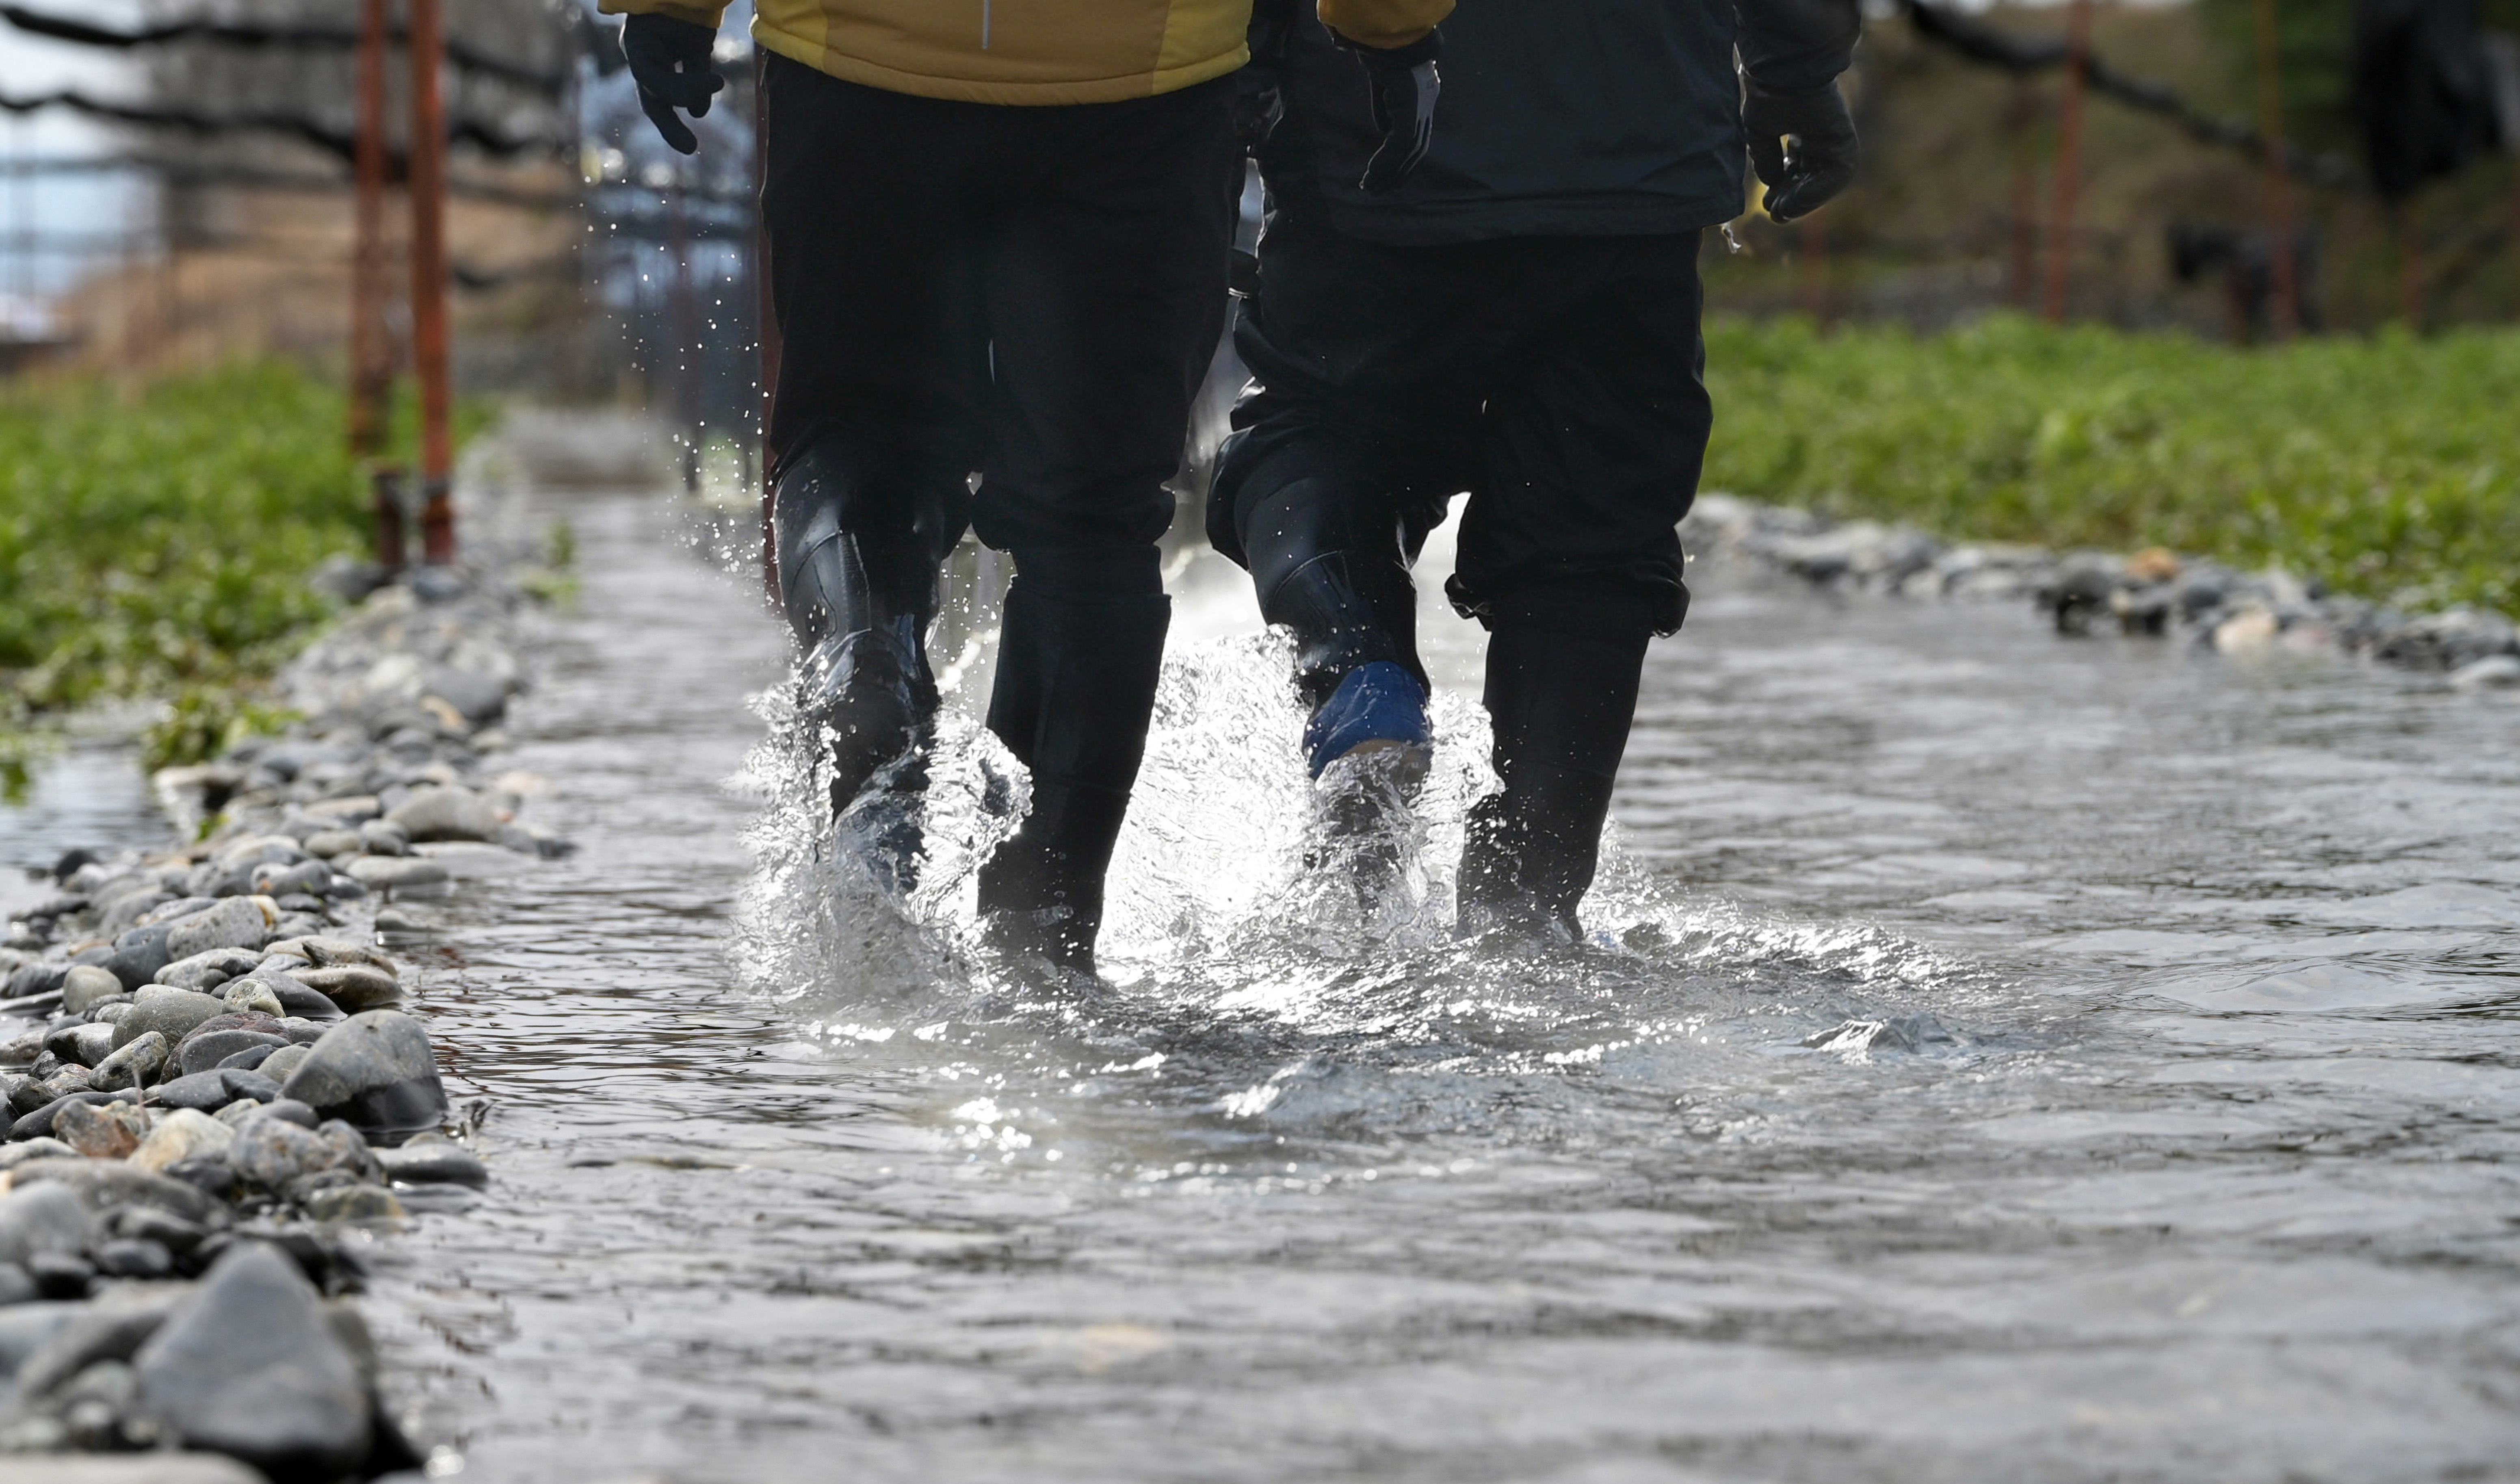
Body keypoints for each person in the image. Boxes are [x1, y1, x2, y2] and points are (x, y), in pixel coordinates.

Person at [607, 0, 1453, 975]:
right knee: (1095, 516)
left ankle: (866, 661)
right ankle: (1042, 955)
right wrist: (1387, 28)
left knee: (858, 437)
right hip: (1146, 81)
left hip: (859, 61)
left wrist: (672, 11)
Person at [1211, 0, 1861, 940]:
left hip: (1374, 138)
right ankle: (1528, 907)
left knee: (1320, 430)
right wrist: (1797, 70)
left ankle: (1357, 670)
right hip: (1639, 148)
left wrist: (1234, 90)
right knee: (1592, 529)